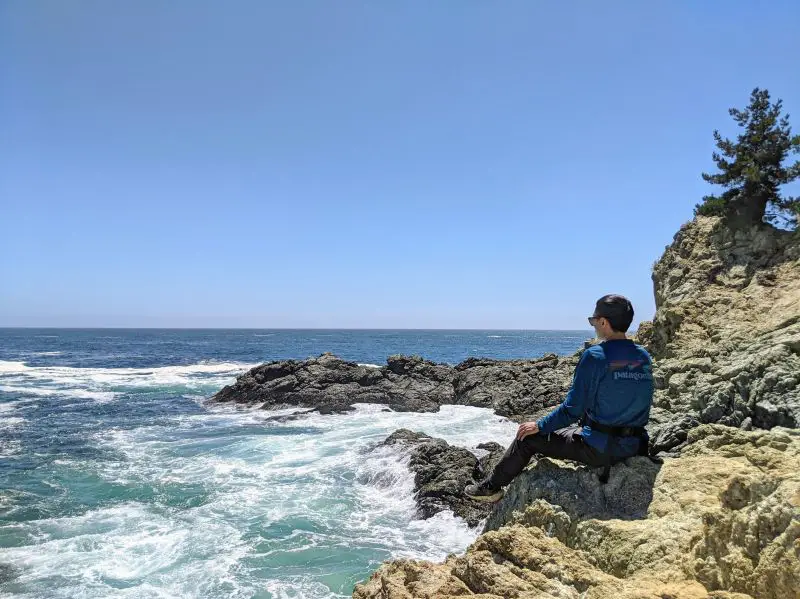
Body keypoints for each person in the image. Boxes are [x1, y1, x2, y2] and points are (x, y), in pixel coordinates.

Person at [465, 294, 654, 502]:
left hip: (603, 449)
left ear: (603, 322)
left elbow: (572, 410)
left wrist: (539, 425)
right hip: (636, 446)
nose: (593, 326)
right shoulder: (643, 356)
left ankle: (491, 488)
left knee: (527, 438)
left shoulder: (595, 356)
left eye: (593, 321)